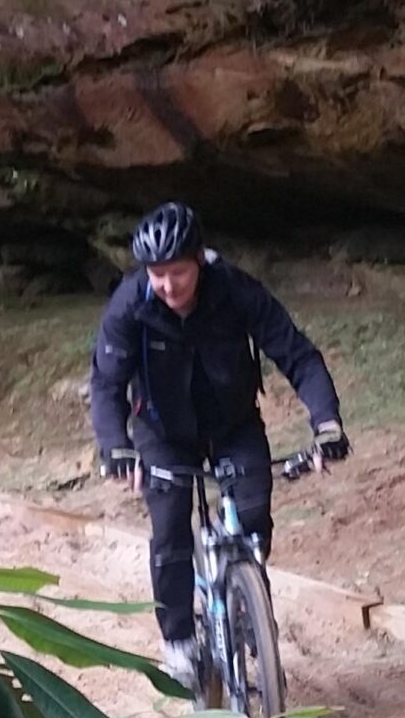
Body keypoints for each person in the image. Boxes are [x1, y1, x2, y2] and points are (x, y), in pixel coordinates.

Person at [88, 202, 349, 686]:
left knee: (252, 518)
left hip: (233, 424)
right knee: (170, 532)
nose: (167, 286)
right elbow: (105, 383)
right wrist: (116, 446)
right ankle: (180, 642)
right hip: (162, 433)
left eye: (179, 273)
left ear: (199, 262)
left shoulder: (235, 291)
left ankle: (249, 607)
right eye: (158, 275)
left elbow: (297, 355)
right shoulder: (130, 305)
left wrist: (326, 423)